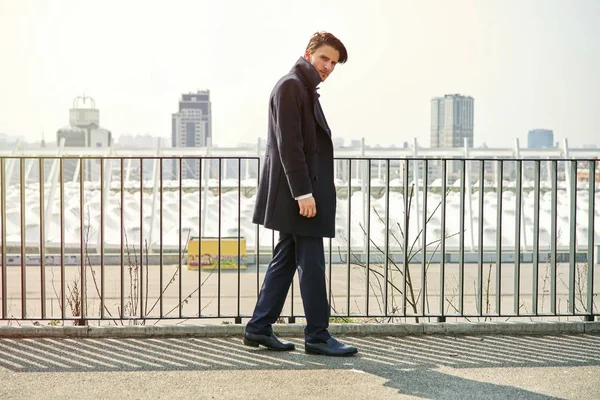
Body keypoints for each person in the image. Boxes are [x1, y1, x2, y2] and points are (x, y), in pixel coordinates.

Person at [243, 31, 358, 357]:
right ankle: (318, 336)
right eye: (324, 58)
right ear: (308, 54)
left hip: (297, 194)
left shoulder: (303, 89)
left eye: (334, 63)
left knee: (286, 260)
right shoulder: (291, 86)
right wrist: (303, 193)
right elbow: (289, 146)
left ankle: (258, 328)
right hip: (298, 196)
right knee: (313, 264)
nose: (328, 67)